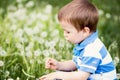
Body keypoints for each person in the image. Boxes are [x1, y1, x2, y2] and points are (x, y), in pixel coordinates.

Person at [40, 0, 117, 80]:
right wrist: (59, 65)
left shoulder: (92, 49)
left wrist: (57, 75)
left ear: (85, 31)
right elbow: (76, 64)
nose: (64, 34)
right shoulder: (84, 43)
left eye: (68, 32)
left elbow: (82, 76)